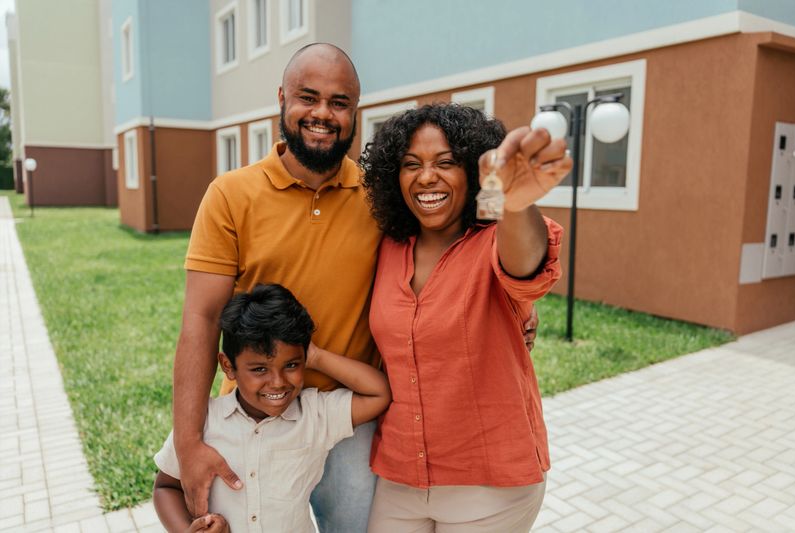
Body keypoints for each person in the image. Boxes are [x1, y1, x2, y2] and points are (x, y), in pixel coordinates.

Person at [172, 43, 382, 532]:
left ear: (355, 111)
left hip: (345, 416)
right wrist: (188, 443)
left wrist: (514, 303)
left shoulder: (379, 196)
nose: (323, 114)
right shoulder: (230, 194)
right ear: (282, 99)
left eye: (339, 102)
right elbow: (200, 319)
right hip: (255, 416)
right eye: (309, 97)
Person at [360, 103, 571, 532]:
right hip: (401, 475)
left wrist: (513, 203)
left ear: (471, 173)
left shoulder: (496, 239)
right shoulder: (387, 248)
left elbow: (525, 264)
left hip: (489, 484)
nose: (426, 177)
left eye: (446, 163)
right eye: (410, 165)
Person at [154, 284, 391, 533]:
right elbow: (165, 488)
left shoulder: (316, 416)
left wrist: (316, 356)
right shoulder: (204, 422)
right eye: (259, 369)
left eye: (291, 365)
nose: (278, 382)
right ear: (228, 366)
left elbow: (378, 393)